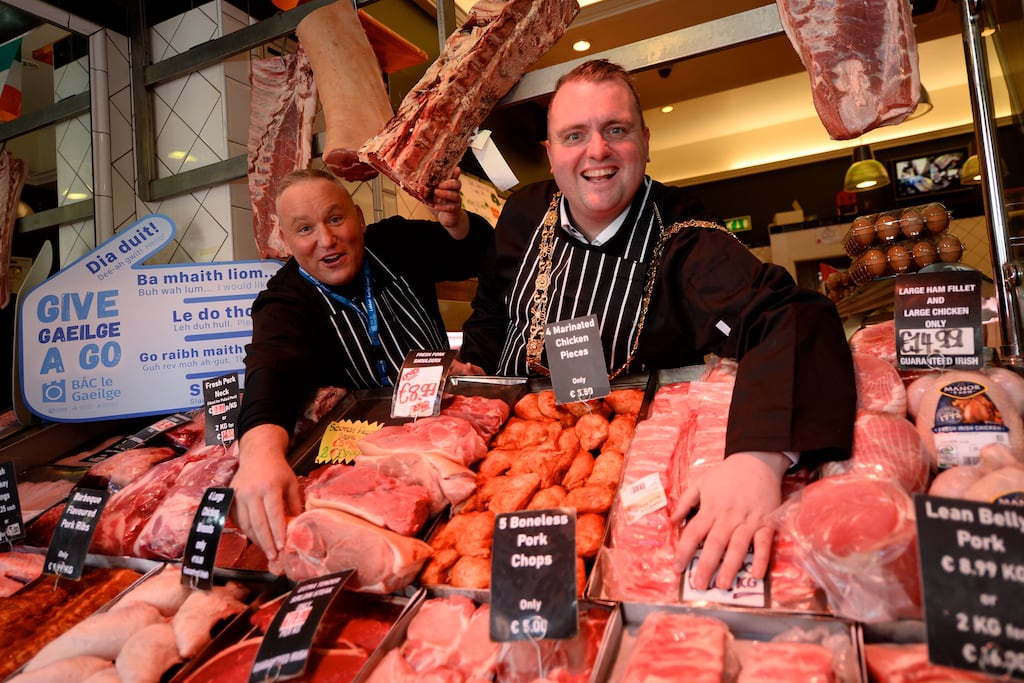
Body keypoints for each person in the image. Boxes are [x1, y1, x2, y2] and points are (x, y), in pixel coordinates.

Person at [459, 59, 856, 591]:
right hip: (501, 452)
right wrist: (475, 373)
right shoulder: (523, 213)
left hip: (627, 468)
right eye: (574, 136)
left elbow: (790, 315)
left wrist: (757, 460)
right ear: (550, 153)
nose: (596, 151)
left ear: (645, 143)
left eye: (615, 130)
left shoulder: (686, 236)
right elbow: (492, 308)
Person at [232, 167, 491, 563]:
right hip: (370, 467)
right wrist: (259, 455)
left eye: (336, 219)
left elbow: (474, 254)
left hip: (452, 426)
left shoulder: (395, 241)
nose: (326, 240)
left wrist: (456, 223)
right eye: (305, 229)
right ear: (285, 239)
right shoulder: (284, 300)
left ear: (359, 217)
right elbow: (271, 373)